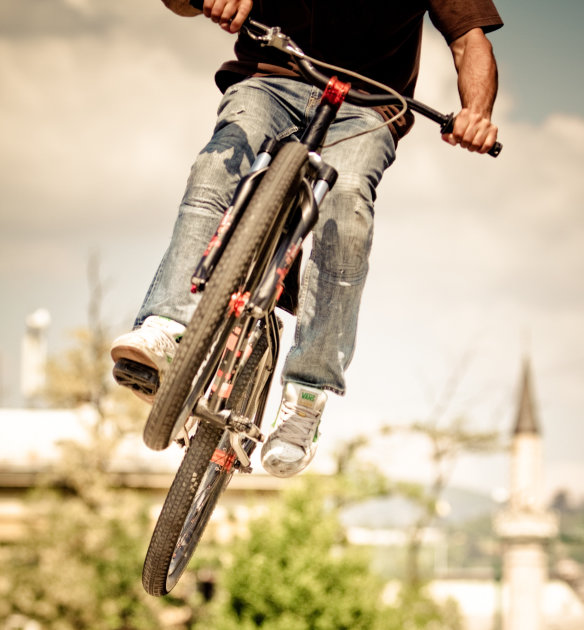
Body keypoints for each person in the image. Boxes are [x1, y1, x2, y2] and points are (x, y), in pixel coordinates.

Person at [111, 0, 503, 477]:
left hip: (368, 107)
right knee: (219, 164)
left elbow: (469, 41)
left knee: (348, 202)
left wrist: (476, 113)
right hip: (271, 77)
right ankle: (169, 329)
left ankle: (307, 397)